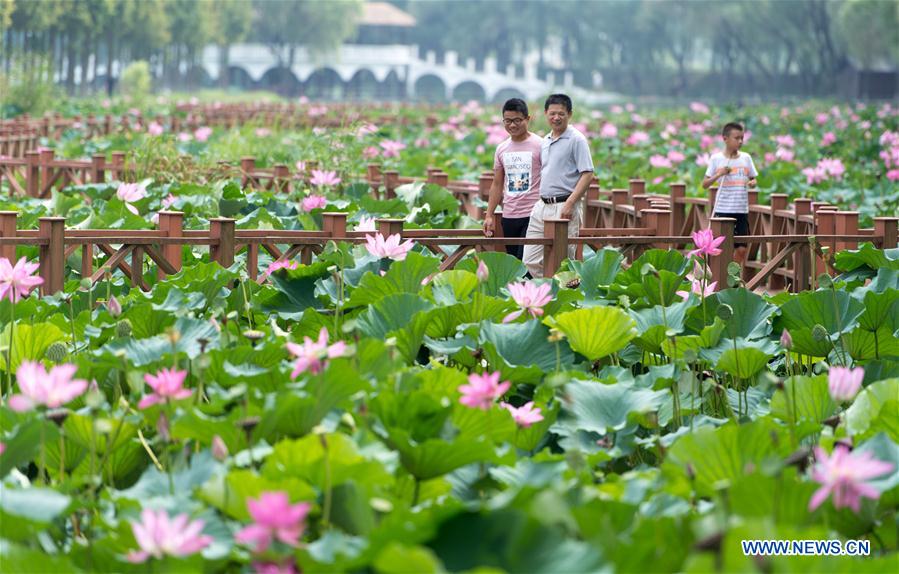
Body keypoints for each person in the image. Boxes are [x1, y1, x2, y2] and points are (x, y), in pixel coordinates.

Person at [522, 94, 595, 278]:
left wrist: (570, 203)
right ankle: (548, 289)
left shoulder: (577, 139)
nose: (556, 117)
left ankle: (565, 293)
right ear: (545, 113)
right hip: (542, 205)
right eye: (552, 113)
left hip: (564, 205)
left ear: (569, 114)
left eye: (561, 114)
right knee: (530, 259)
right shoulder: (545, 140)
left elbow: (588, 174)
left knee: (564, 261)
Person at [483, 98, 542, 260]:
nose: (512, 125)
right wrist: (489, 215)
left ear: (527, 119)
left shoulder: (540, 145)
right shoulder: (501, 148)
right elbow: (497, 184)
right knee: (514, 262)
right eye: (508, 121)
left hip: (533, 214)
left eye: (517, 120)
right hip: (509, 215)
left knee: (527, 262)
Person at [701, 121, 758, 267]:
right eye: (736, 138)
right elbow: (705, 184)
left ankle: (730, 275)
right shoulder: (716, 159)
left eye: (742, 138)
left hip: (741, 210)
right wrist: (719, 174)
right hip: (722, 210)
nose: (740, 141)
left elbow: (753, 178)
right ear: (725, 139)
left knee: (742, 249)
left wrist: (753, 183)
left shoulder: (746, 158)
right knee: (721, 248)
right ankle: (721, 275)